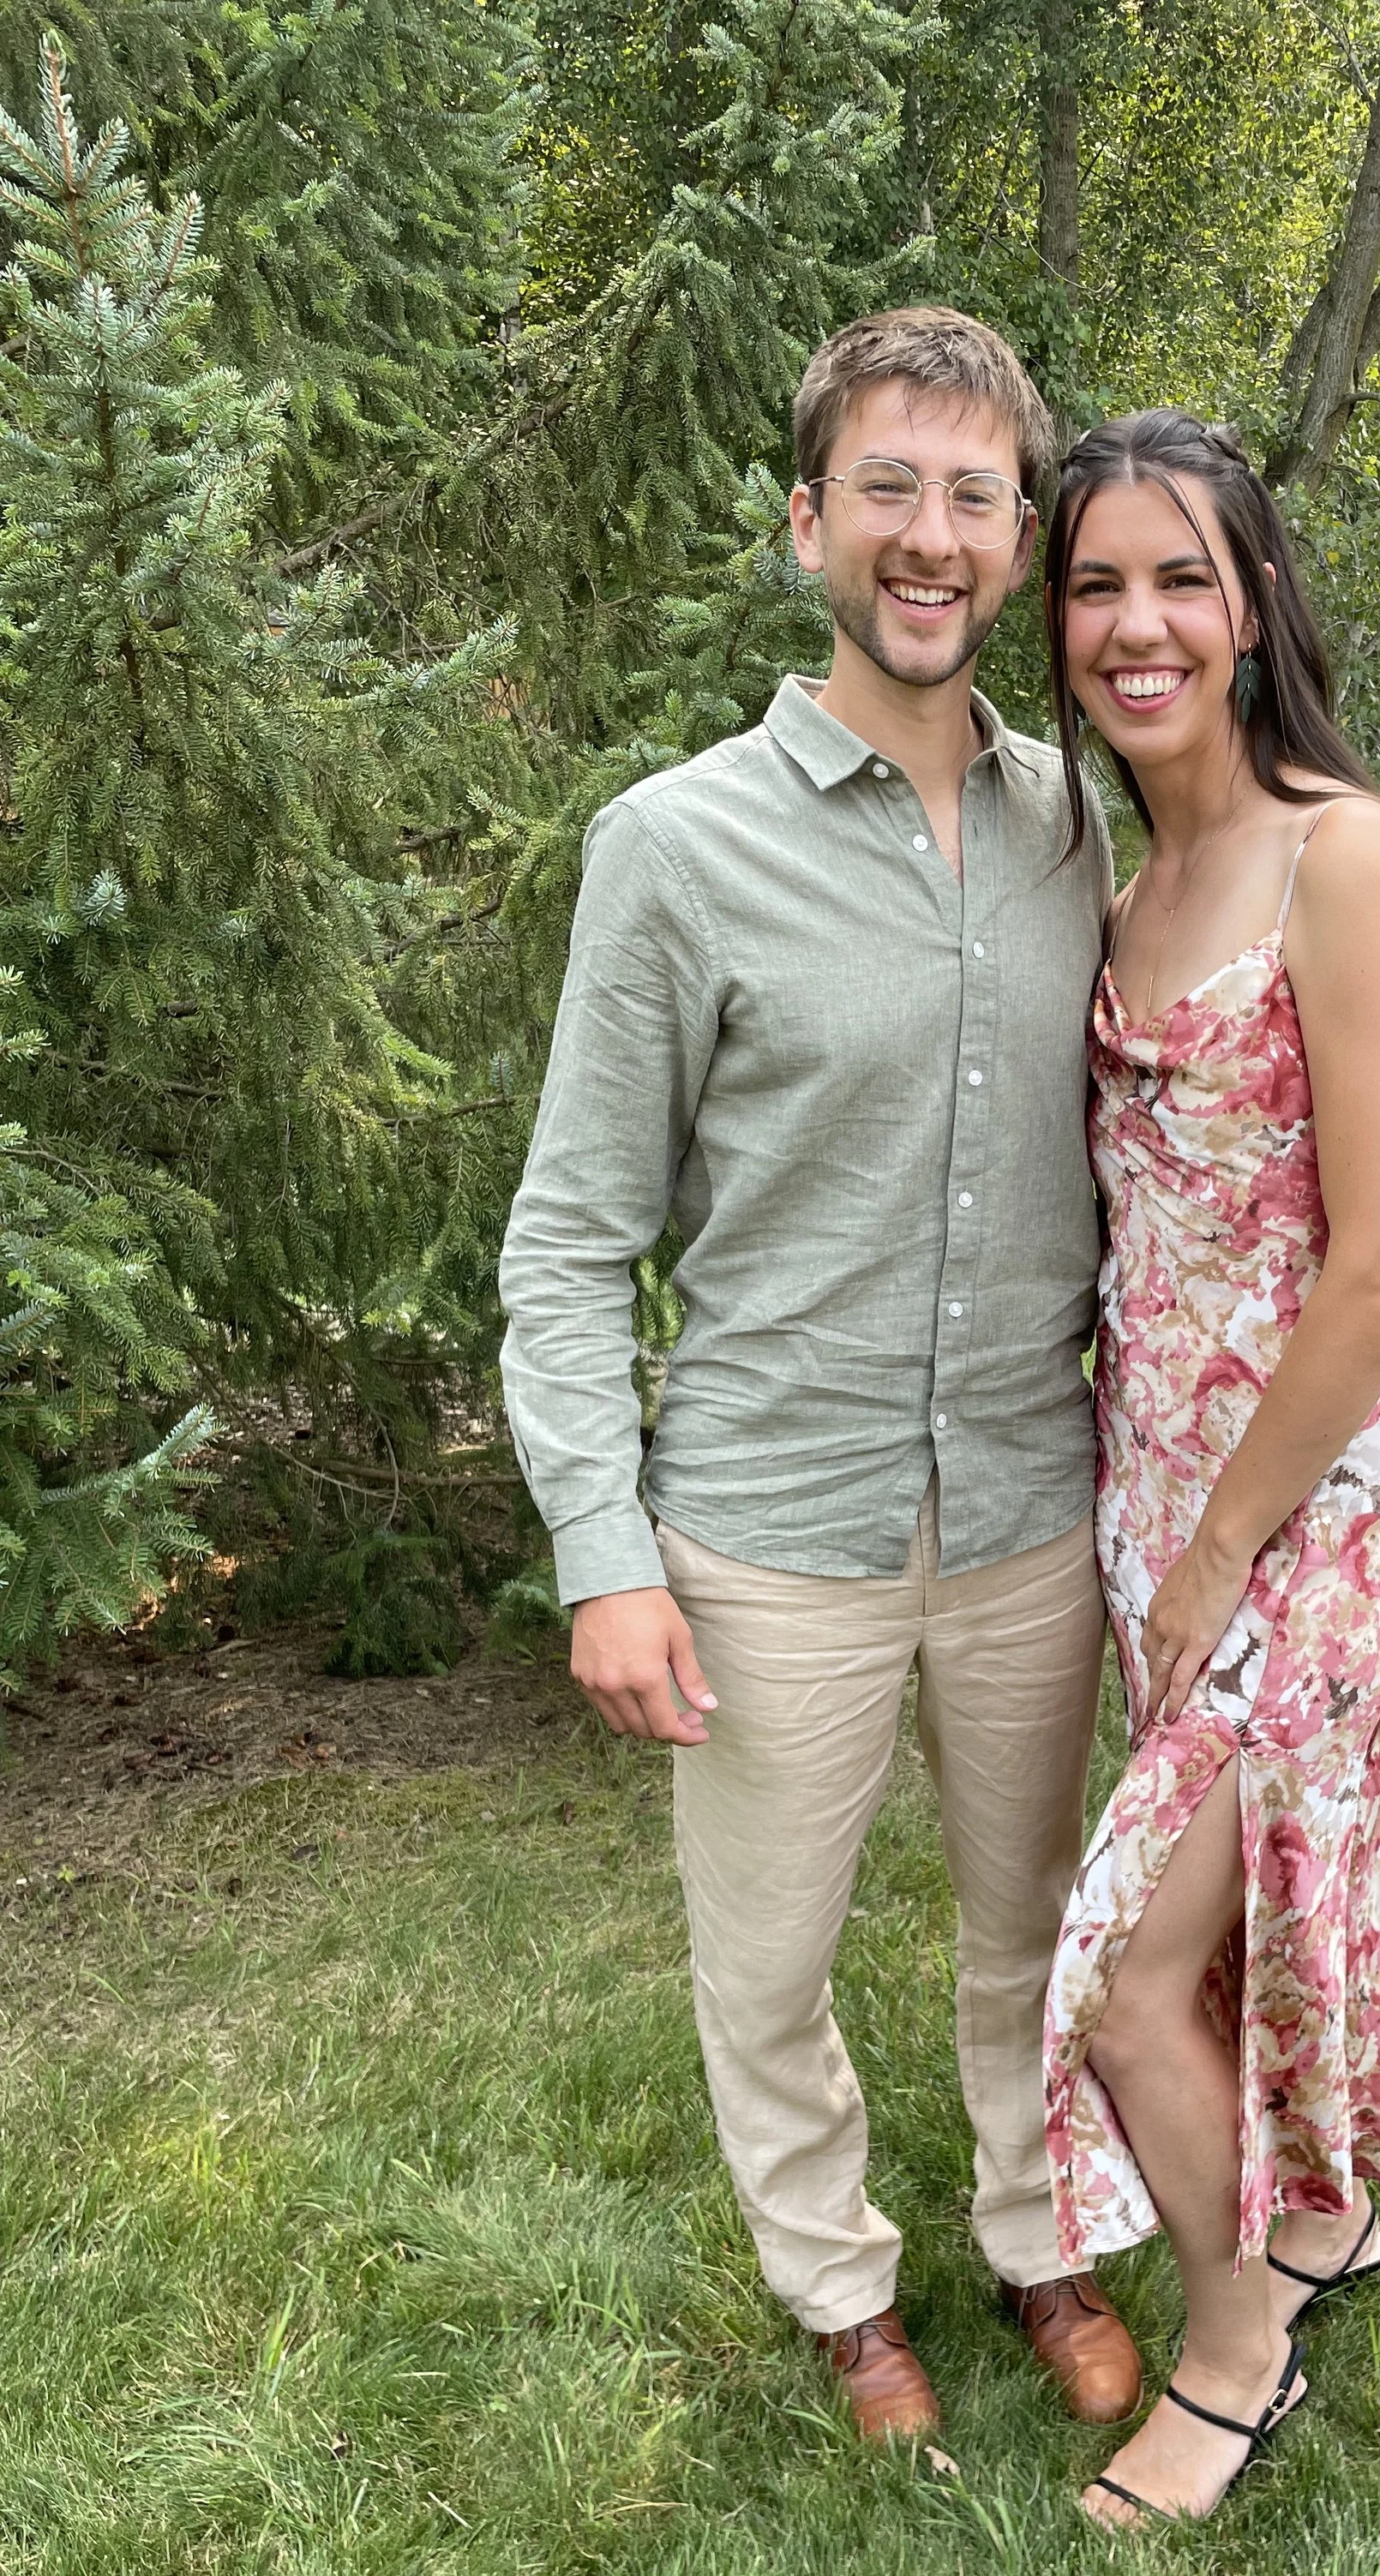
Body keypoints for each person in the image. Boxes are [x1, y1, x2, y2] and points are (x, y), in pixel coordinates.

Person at [498, 309, 1143, 2445]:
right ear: (807, 525)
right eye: (888, 488)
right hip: (769, 1518)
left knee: (1027, 1925)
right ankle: (839, 2288)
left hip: (1031, 1505)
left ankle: (1041, 2237)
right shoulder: (673, 850)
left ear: (1019, 537)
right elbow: (572, 1236)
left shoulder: (1081, 837)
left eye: (972, 496)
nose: (930, 538)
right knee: (765, 1960)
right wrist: (603, 1548)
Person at [1036, 410, 1380, 2525]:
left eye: (1179, 576)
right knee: (1257, 1897)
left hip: (1314, 1498)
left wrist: (1218, 1541)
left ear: (1255, 599)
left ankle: (1230, 2348)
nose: (1136, 622)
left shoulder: (1332, 852)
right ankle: (1327, 2209)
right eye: (1095, 582)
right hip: (1156, 1489)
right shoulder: (1125, 887)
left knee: (1117, 1968)